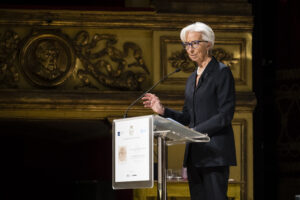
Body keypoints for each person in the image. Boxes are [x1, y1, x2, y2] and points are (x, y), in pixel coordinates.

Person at [142, 22, 236, 200]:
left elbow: (225, 115)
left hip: (214, 153)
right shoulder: (191, 78)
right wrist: (162, 110)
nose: (190, 49)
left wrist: (194, 132)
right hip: (195, 155)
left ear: (208, 44)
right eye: (186, 45)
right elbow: (187, 117)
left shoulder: (222, 72)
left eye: (194, 43)